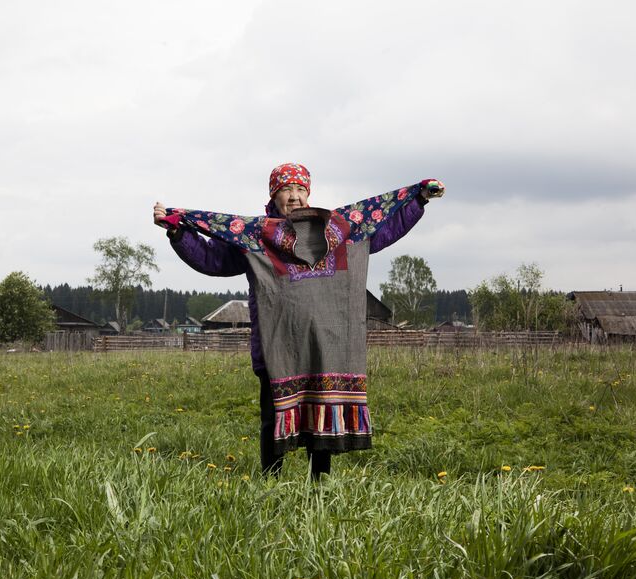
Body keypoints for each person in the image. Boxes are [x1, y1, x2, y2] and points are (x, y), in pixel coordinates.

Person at [153, 163, 443, 478]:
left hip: (325, 346)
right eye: (285, 190)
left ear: (308, 193)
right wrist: (178, 231)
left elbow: (382, 229)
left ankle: (320, 485)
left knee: (322, 412)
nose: (294, 196)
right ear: (273, 195)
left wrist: (417, 201)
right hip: (276, 347)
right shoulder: (258, 237)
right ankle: (271, 482)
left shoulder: (336, 232)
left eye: (300, 189)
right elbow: (213, 259)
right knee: (271, 415)